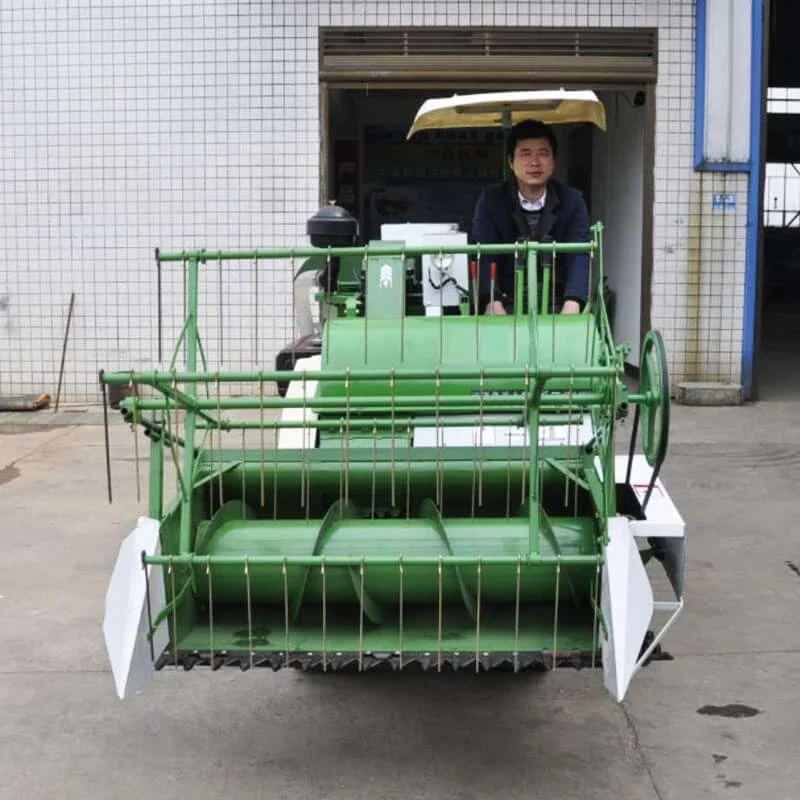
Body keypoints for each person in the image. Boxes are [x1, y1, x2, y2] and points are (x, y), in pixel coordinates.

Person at [471, 119, 591, 315]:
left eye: (543, 153)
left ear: (554, 160)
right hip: (506, 300)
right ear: (511, 161)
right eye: (525, 154)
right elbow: (484, 253)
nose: (535, 163)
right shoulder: (492, 200)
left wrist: (574, 299)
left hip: (557, 302)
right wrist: (491, 299)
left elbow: (578, 253)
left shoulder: (572, 200)